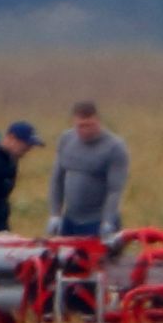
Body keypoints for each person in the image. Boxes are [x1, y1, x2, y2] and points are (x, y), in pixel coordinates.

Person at [47, 101, 130, 238]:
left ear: (98, 121)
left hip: (97, 221)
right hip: (70, 219)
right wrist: (55, 214)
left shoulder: (114, 147)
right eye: (80, 126)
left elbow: (115, 189)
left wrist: (108, 221)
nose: (84, 130)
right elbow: (57, 179)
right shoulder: (66, 139)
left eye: (89, 125)